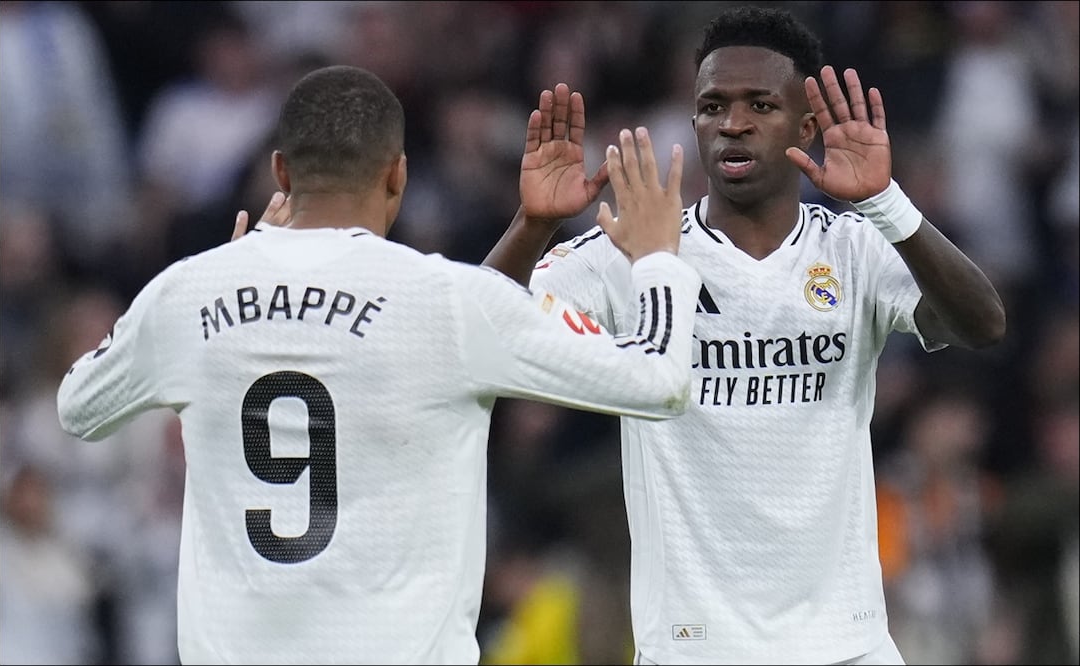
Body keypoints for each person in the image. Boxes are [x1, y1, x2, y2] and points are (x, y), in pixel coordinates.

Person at [56, 65, 702, 665]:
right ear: (397, 175)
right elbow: (657, 382)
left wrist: (217, 295)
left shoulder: (186, 293)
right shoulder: (443, 301)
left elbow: (78, 407)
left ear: (280, 173)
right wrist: (657, 258)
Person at [482, 6, 1006, 665]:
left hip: (846, 644)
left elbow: (982, 323)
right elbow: (477, 330)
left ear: (806, 124)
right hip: (695, 648)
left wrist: (884, 202)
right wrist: (531, 225)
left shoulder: (853, 250)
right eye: (712, 106)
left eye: (760, 104)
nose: (732, 123)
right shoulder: (637, 249)